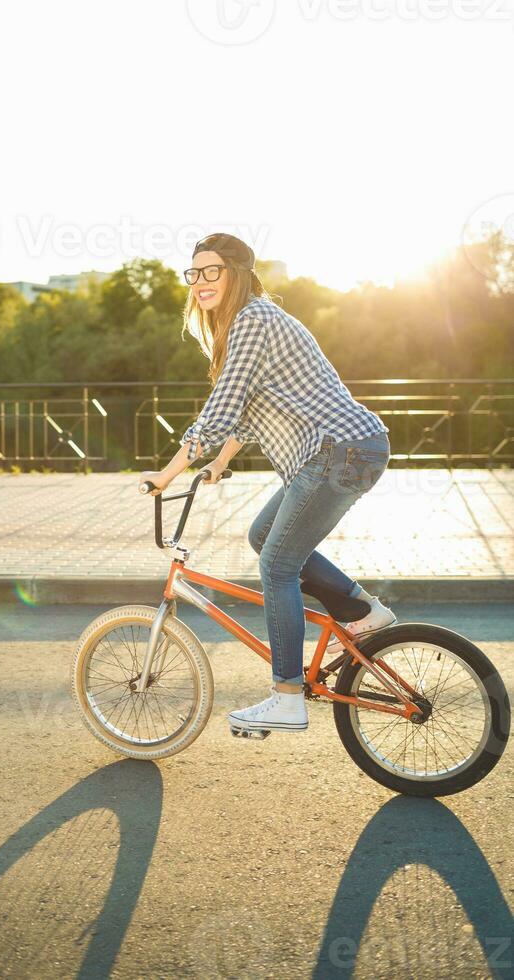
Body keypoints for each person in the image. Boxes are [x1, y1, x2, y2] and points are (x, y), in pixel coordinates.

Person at [138, 232, 395, 734]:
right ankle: (361, 610)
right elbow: (247, 413)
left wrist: (166, 474)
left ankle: (286, 696)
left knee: (277, 564)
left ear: (236, 273)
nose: (199, 282)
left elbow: (220, 410)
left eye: (211, 271)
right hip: (346, 450)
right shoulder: (249, 323)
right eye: (193, 273)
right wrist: (216, 464)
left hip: (336, 452)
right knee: (263, 536)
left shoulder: (253, 319)